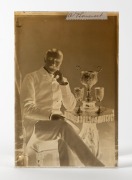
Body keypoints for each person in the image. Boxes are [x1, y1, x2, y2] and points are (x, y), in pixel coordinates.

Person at [20, 48, 104, 167]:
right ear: (44, 59)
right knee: (65, 127)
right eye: (50, 60)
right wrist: (50, 115)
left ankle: (68, 171)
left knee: (68, 133)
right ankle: (94, 164)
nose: (53, 64)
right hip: (37, 125)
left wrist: (62, 84)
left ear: (61, 63)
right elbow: (27, 109)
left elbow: (70, 106)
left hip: (58, 124)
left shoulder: (63, 81)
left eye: (57, 62)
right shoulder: (31, 78)